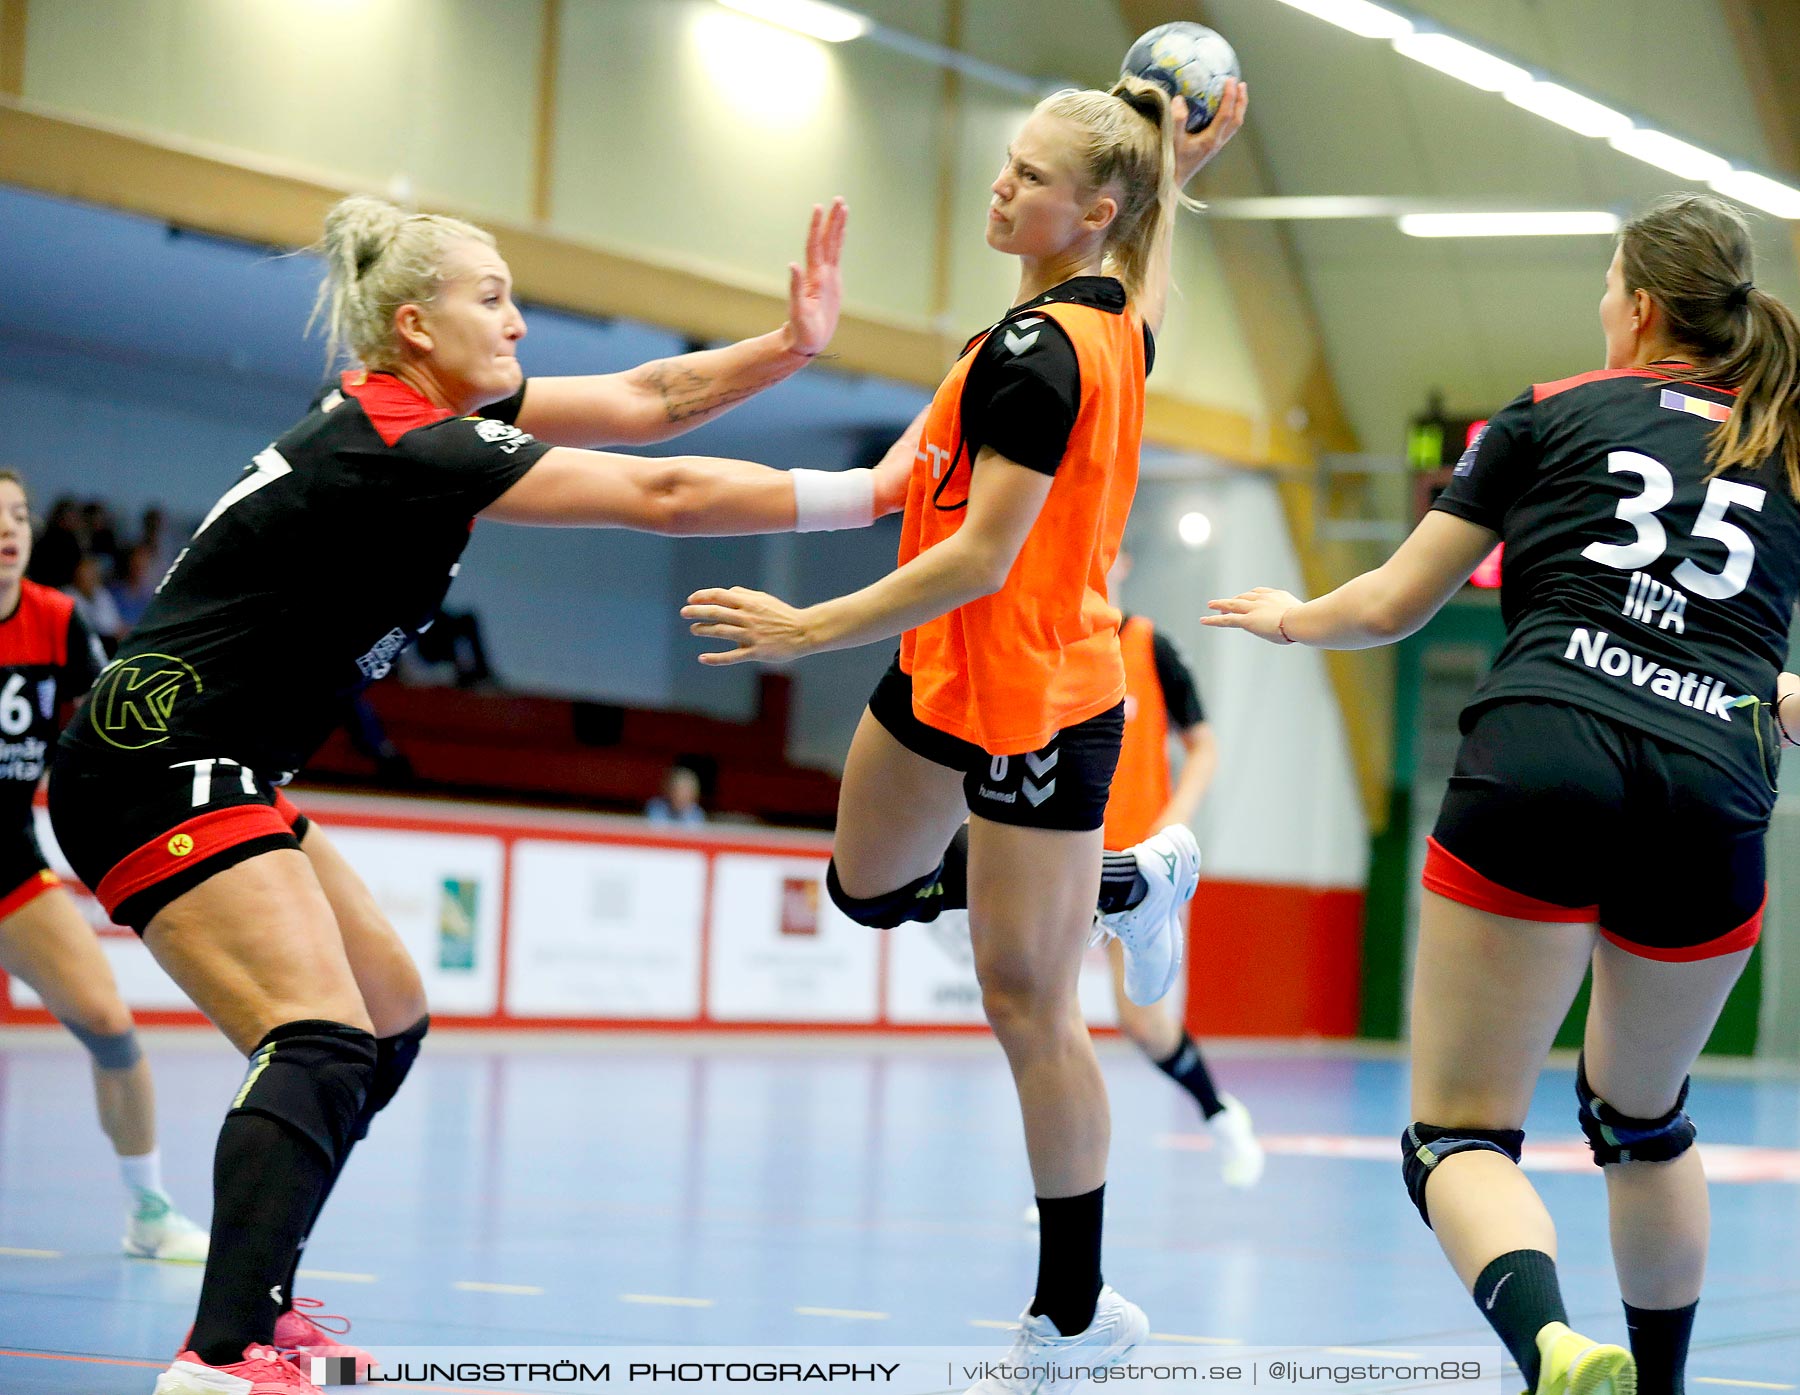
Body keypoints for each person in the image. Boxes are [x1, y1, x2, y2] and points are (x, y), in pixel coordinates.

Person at [49, 191, 901, 1395]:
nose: (517, 326)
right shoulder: (403, 444)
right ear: (412, 326)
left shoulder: (430, 414)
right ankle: (225, 1352)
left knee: (385, 1019)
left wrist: (791, 347)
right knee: (321, 1035)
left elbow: (648, 403)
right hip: (154, 759)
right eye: (491, 300)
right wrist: (870, 495)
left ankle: (261, 1309)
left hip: (216, 760)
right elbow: (662, 495)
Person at [683, 77, 1247, 1391]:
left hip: (1045, 698)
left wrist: (808, 631)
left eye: (1027, 175)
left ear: (1088, 212)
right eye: (1005, 165)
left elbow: (987, 554)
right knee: (863, 886)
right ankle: (1127, 879)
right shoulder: (1081, 321)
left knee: (1027, 999)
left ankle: (1071, 1313)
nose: (1000, 185)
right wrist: (1178, 162)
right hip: (942, 677)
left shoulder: (1047, 353)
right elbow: (1141, 273)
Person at [1204, 192, 1800, 1395]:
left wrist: (1287, 619)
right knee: (1645, 1122)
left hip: (1545, 750)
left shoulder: (1548, 413)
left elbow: (1389, 605)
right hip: (1714, 776)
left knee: (1458, 1133)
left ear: (1637, 306)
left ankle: (1553, 1350)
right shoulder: (1786, 445)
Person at [0, 469, 209, 1262]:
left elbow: (109, 731)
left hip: (9, 862)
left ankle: (148, 1211)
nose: (8, 530)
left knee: (112, 1028)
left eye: (18, 515)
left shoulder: (57, 620)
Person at [1097, 546, 1260, 1188]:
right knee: (1045, 1017)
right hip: (1058, 859)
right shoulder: (1045, 643)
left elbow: (1203, 745)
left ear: (1123, 563)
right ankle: (1064, 1180)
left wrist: (1175, 818)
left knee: (1145, 1024)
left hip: (1137, 866)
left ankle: (1219, 1113)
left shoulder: (1147, 647)